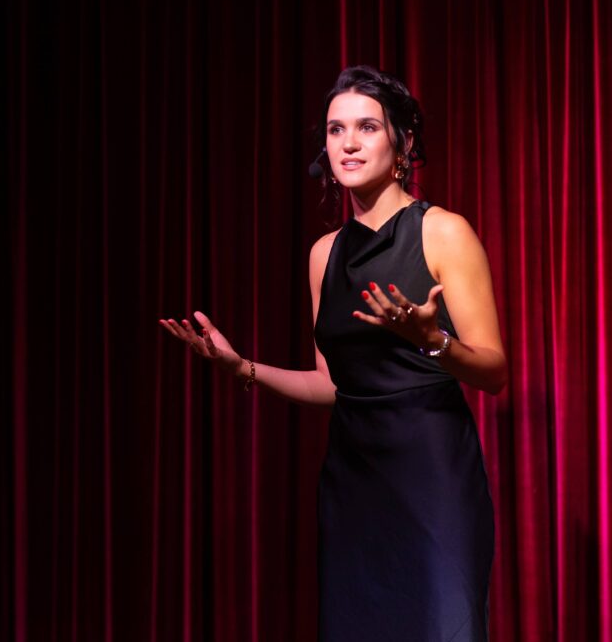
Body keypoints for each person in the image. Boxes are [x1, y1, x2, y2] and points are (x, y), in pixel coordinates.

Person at [160, 65, 506, 642]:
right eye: (335, 129)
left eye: (366, 127)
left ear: (402, 140)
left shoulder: (442, 232)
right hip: (353, 477)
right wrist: (241, 367)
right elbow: (333, 385)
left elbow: (493, 371)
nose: (347, 143)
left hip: (432, 469)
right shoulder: (325, 253)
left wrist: (431, 341)